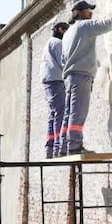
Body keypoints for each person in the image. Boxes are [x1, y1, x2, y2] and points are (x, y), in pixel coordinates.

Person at [58, 0, 112, 155]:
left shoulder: (68, 34)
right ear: (79, 13)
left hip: (69, 77)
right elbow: (107, 24)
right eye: (88, 10)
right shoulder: (85, 26)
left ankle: (63, 147)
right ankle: (74, 147)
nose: (91, 13)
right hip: (81, 77)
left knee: (68, 112)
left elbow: (63, 59)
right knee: (78, 112)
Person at [42, 21, 70, 158]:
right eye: (66, 31)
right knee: (60, 113)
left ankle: (50, 148)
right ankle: (59, 147)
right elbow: (63, 62)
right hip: (56, 81)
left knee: (53, 115)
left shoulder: (48, 43)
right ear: (60, 30)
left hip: (48, 82)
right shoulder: (58, 43)